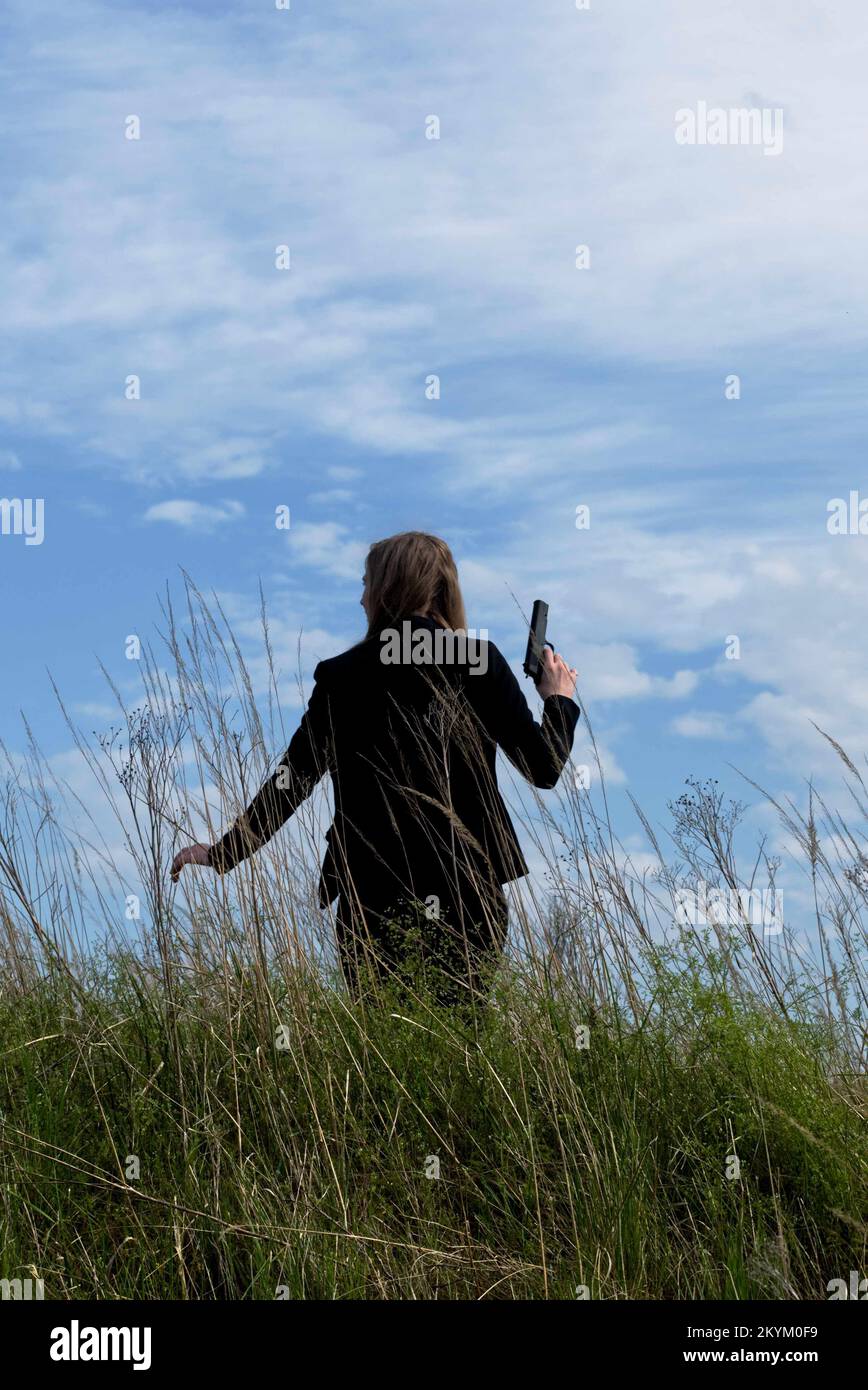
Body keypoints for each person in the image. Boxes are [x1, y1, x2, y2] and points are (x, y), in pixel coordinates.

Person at [171, 531, 579, 1004]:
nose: (361, 596)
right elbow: (543, 767)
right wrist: (559, 701)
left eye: (366, 582)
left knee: (386, 1053)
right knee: (461, 1051)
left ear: (388, 588)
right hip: (469, 893)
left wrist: (224, 853)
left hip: (371, 897)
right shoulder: (476, 660)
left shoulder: (343, 675)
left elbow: (292, 780)